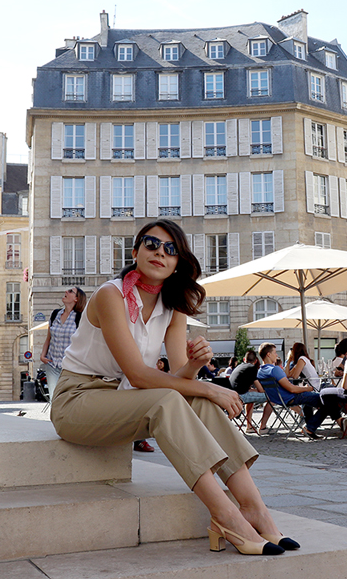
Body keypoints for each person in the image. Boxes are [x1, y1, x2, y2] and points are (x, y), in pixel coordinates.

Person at [49, 220, 293, 556]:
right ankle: (225, 514)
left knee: (199, 403)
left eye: (170, 249)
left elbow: (182, 381)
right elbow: (138, 374)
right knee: (177, 399)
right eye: (151, 244)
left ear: (178, 262)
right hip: (78, 401)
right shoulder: (111, 295)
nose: (159, 253)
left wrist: (194, 365)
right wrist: (210, 388)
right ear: (135, 253)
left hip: (123, 400)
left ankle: (254, 508)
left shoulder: (173, 304)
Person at [257, 344, 340, 438]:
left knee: (314, 401)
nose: (277, 355)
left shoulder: (260, 371)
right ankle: (311, 427)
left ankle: (315, 425)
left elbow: (289, 380)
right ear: (268, 354)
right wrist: (307, 388)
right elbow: (292, 389)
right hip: (291, 398)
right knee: (327, 399)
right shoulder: (275, 369)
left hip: (279, 400)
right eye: (275, 353)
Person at [41, 286, 86, 392]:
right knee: (54, 399)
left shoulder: (80, 317)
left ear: (76, 299)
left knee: (68, 398)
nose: (66, 291)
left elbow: (84, 343)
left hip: (70, 367)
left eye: (71, 291)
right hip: (52, 365)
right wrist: (43, 355)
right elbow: (49, 338)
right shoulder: (55, 314)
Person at [230, 348, 267, 434]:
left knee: (251, 400)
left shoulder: (239, 366)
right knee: (269, 397)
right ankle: (263, 426)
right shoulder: (252, 368)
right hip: (241, 396)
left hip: (233, 394)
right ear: (255, 361)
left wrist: (253, 390)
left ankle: (249, 426)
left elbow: (242, 386)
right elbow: (261, 390)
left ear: (244, 359)